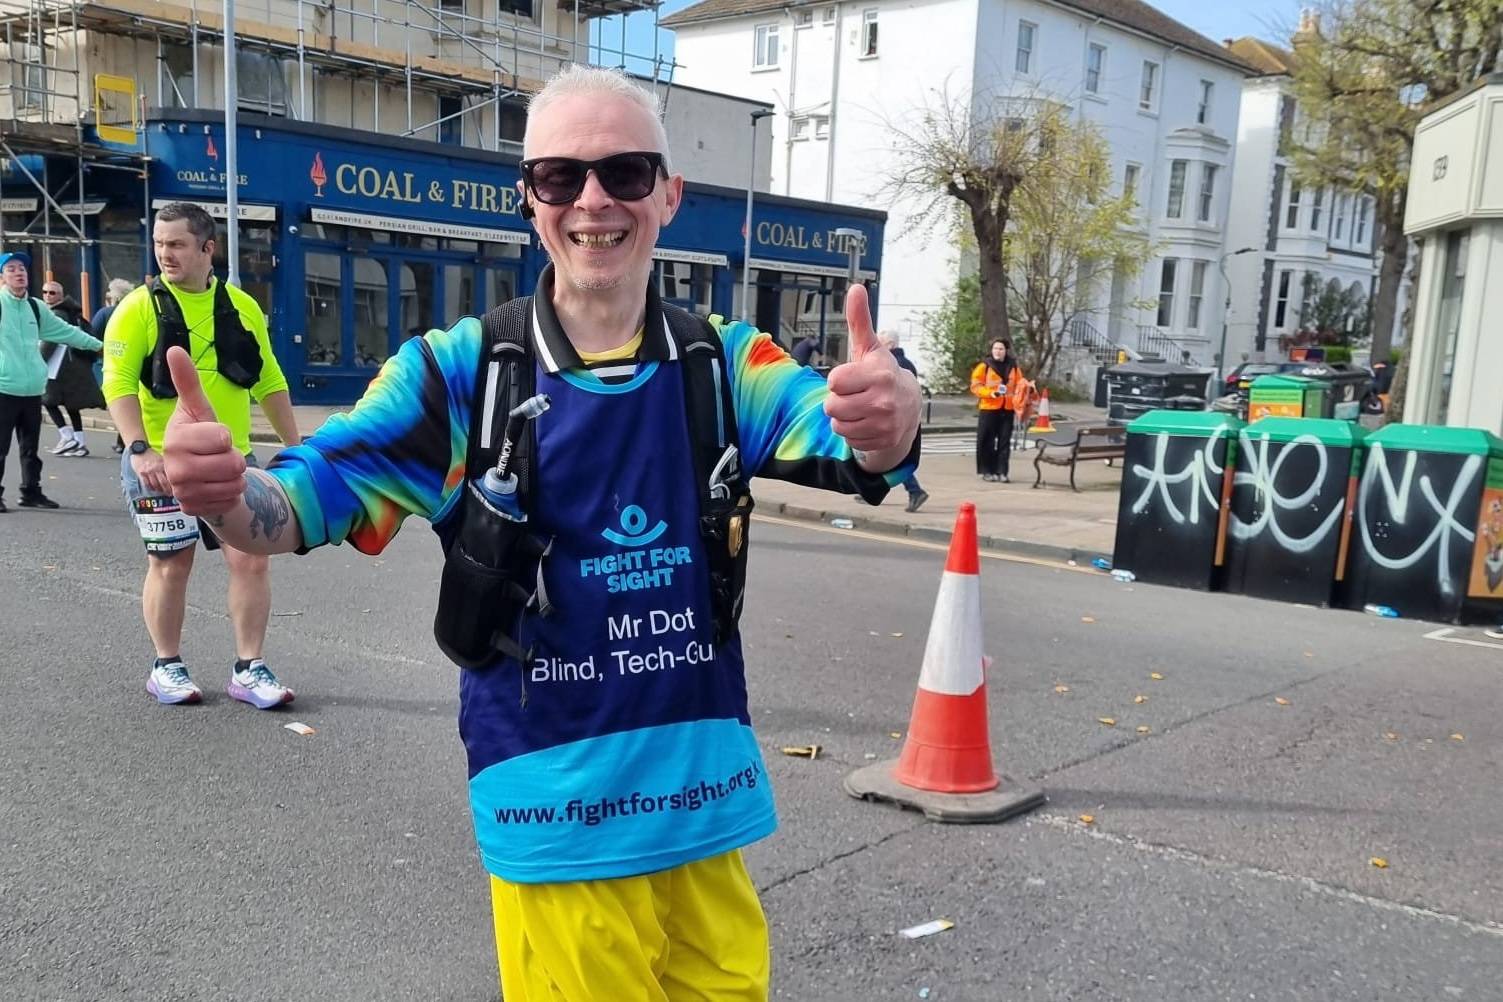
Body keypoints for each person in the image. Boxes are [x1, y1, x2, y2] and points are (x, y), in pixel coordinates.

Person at [160, 66, 920, 999]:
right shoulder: (460, 372)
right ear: (528, 200)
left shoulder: (720, 362)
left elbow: (847, 438)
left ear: (669, 195)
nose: (592, 200)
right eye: (560, 176)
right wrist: (225, 494)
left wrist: (892, 416)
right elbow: (301, 500)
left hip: (704, 808)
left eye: (625, 172)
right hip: (557, 818)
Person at [102, 201, 301, 708]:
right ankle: (166, 664)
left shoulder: (242, 306)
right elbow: (117, 384)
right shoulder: (137, 308)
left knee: (252, 560)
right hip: (161, 463)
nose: (164, 254)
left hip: (233, 461)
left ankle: (249, 668)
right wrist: (139, 449)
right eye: (159, 243)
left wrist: (297, 449)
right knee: (171, 563)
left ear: (208, 248)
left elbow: (269, 381)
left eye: (176, 244)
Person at [0, 251, 103, 512]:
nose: (19, 272)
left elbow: (66, 332)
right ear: (2, 278)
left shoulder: (35, 307)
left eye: (22, 268)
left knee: (30, 448)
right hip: (4, 387)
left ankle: (31, 492)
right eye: (11, 269)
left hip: (32, 389)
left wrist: (99, 347)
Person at [39, 279, 105, 457]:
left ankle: (66, 436)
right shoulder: (69, 311)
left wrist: (38, 361)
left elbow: (49, 343)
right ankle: (79, 443)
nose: (48, 296)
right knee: (71, 405)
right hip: (72, 366)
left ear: (61, 296)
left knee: (46, 400)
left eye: (52, 293)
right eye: (45, 292)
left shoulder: (57, 314)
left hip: (58, 368)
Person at [879, 331, 928, 512]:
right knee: (883, 458)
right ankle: (874, 490)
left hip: (894, 418)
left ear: (890, 344)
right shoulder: (907, 363)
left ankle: (915, 491)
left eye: (881, 343)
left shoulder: (893, 364)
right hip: (904, 417)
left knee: (891, 459)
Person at [970, 338, 1027, 483]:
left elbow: (1020, 385)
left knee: (1004, 441)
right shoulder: (984, 366)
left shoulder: (1013, 367)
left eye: (1001, 349)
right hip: (989, 408)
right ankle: (987, 471)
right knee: (986, 440)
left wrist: (1027, 390)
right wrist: (990, 393)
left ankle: (1002, 471)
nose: (998, 351)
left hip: (1007, 408)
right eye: (995, 348)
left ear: (1006, 351)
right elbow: (975, 386)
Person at [92, 279, 136, 453]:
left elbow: (93, 337)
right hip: (132, 363)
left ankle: (125, 441)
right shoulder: (134, 312)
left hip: (107, 363)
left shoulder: (105, 314)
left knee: (116, 402)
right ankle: (124, 440)